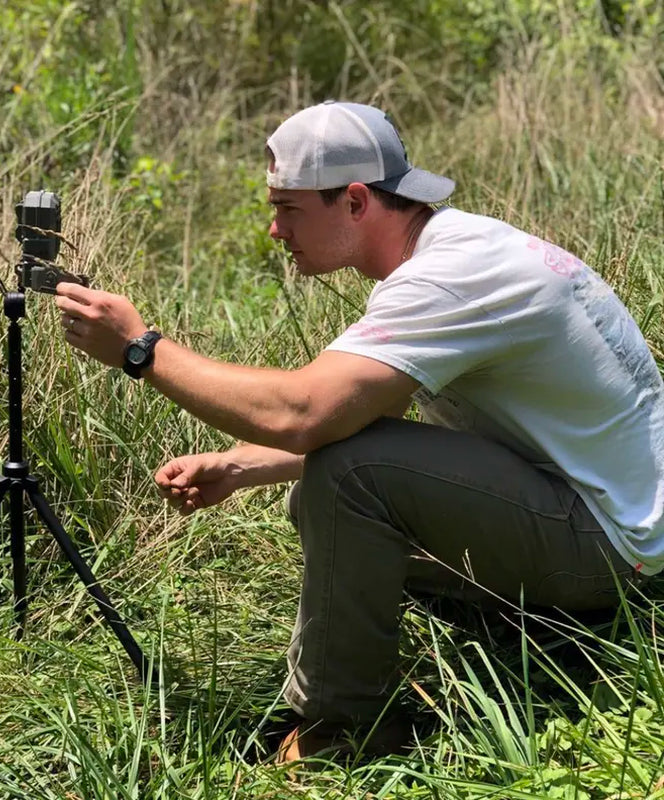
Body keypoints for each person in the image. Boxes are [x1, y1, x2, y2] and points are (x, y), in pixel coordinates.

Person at [54, 101, 664, 763]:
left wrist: (142, 351)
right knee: (330, 492)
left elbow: (306, 414)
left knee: (347, 481)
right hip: (607, 514)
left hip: (607, 549)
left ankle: (342, 734)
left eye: (288, 209)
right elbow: (366, 417)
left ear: (353, 201)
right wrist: (238, 466)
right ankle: (514, 633)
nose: (275, 230)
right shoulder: (461, 247)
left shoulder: (447, 281)